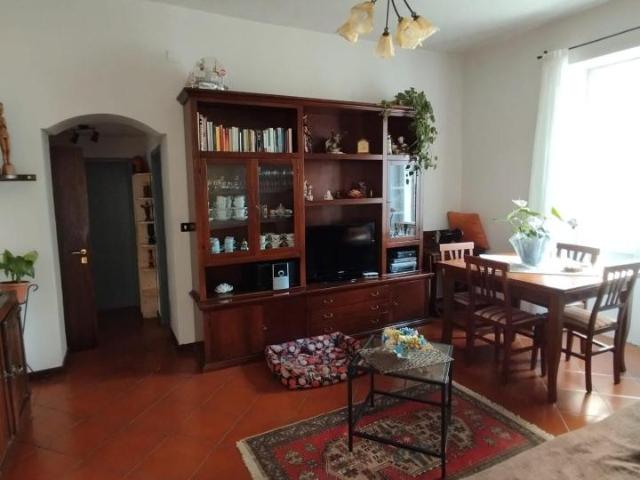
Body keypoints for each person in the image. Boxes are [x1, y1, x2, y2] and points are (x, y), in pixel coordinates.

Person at [0, 103, 15, 177]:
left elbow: (5, 126)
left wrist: (3, 124)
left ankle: (8, 161)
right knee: (4, 149)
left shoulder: (3, 118)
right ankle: (5, 162)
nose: (1, 110)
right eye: (0, 109)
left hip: (6, 133)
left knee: (8, 149)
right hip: (0, 134)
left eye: (2, 109)